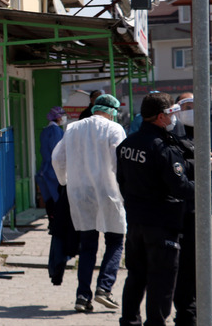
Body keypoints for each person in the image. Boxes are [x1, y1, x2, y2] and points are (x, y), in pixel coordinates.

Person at [116, 92, 195, 326]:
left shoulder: (126, 145)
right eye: (172, 113)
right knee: (161, 280)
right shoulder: (164, 149)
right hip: (162, 224)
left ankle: (130, 322)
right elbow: (181, 188)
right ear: (161, 116)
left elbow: (122, 181)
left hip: (136, 222)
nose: (175, 119)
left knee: (136, 277)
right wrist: (205, 177)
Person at [52, 94, 127, 312]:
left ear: (95, 108)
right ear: (112, 111)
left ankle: (82, 297)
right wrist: (124, 189)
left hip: (80, 194)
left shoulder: (73, 128)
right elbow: (119, 163)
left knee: (87, 246)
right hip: (108, 191)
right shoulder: (114, 129)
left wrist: (65, 181)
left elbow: (57, 158)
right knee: (115, 240)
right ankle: (104, 288)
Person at [172, 93, 212, 326]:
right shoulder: (175, 136)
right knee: (187, 266)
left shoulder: (201, 133)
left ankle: (198, 313)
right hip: (186, 210)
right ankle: (187, 315)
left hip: (201, 206)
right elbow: (179, 172)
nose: (193, 110)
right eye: (187, 106)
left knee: (199, 265)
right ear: (178, 109)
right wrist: (204, 167)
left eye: (196, 105)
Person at [37, 106, 76, 285]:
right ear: (58, 118)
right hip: (54, 173)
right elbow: (58, 155)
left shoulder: (46, 131)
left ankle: (52, 221)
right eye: (63, 116)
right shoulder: (55, 132)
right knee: (57, 203)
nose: (64, 118)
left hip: (46, 172)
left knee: (50, 203)